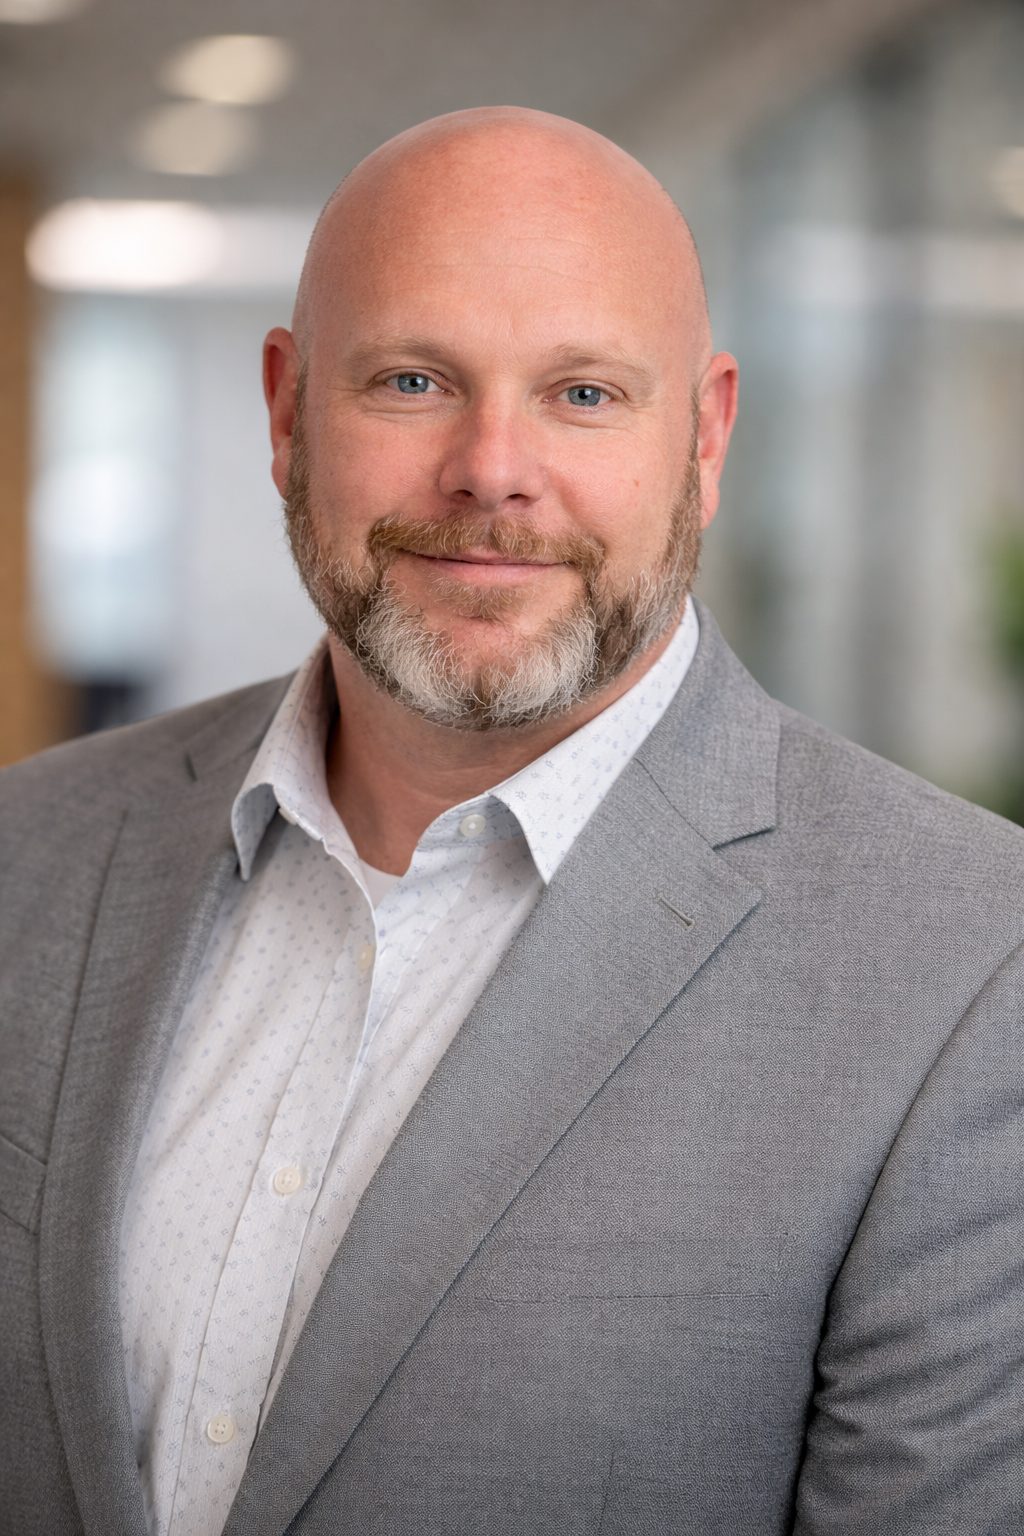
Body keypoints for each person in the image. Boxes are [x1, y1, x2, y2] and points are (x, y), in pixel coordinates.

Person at [1, 106, 1023, 1536]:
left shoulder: (973, 961)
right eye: (414, 380)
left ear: (708, 435)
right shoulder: (27, 854)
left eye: (585, 393)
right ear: (286, 414)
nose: (491, 469)